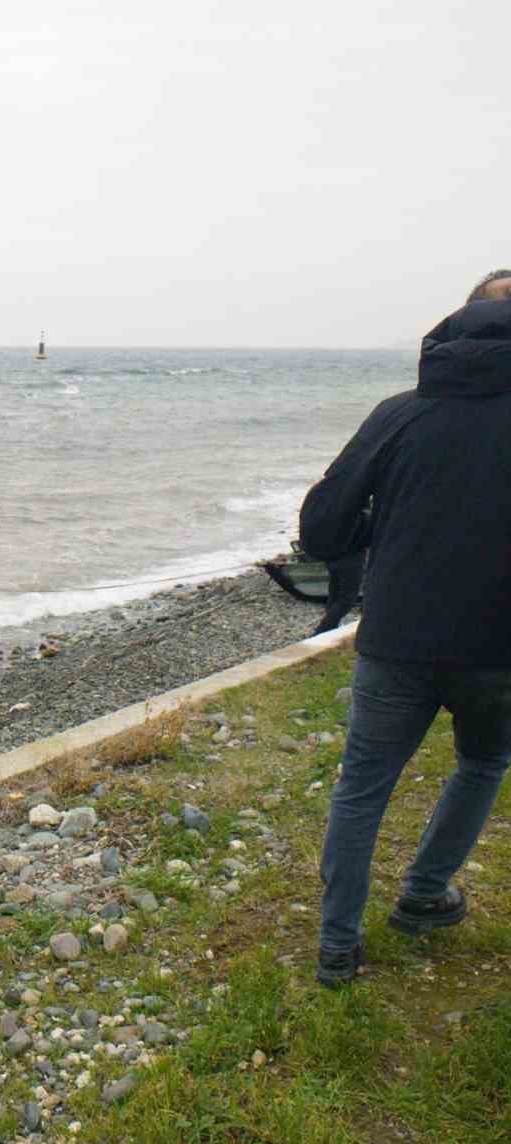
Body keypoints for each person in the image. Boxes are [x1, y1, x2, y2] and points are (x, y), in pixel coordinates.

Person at [300, 269, 511, 987]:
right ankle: (423, 895)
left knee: (363, 787)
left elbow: (320, 528)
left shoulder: (400, 414)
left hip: (398, 638)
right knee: (482, 763)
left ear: (455, 325)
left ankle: (337, 947)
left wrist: (377, 526)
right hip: (497, 651)